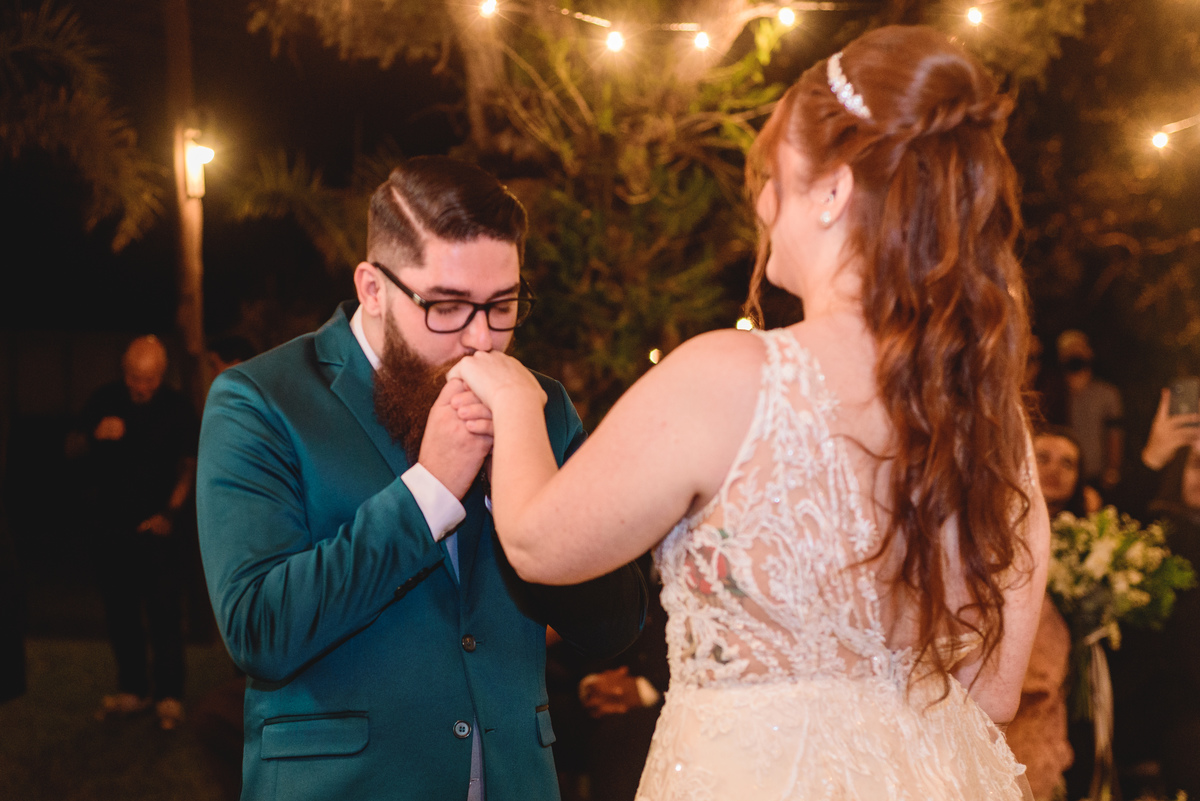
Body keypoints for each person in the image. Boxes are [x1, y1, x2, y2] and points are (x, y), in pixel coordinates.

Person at [448, 25, 1050, 800]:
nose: (763, 203)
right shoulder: (991, 419)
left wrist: (513, 397)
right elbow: (994, 691)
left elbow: (537, 542)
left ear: (833, 191)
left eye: (775, 178)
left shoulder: (734, 377)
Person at [196, 156, 646, 801]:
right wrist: (431, 488)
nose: (481, 339)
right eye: (447, 306)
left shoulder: (536, 405)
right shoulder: (261, 400)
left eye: (503, 305)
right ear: (373, 289)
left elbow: (614, 625)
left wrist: (518, 485)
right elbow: (259, 630)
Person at [80, 335, 198, 730]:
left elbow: (189, 464)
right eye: (134, 377)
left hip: (158, 530)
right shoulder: (105, 399)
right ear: (124, 371)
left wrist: (170, 512)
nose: (140, 386)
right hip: (112, 528)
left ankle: (169, 695)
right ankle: (132, 689)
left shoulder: (177, 408)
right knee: (121, 612)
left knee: (165, 612)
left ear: (161, 375)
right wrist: (95, 435)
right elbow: (71, 446)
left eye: (148, 379)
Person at [1057, 330, 1124, 492]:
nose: (1075, 352)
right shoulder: (1053, 392)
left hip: (1095, 475)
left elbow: (1114, 432)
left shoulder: (1107, 393)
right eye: (1069, 349)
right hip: (1062, 473)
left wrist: (1113, 468)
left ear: (1089, 352)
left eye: (1079, 347)